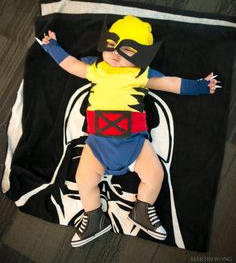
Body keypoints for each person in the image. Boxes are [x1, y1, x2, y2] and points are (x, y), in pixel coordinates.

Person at [38, 15, 218, 247]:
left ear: (142, 57)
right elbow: (72, 65)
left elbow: (171, 83)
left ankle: (143, 209)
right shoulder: (96, 69)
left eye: (128, 51)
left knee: (155, 175)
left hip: (134, 142)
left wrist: (200, 86)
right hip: (97, 144)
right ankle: (93, 217)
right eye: (112, 46)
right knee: (84, 179)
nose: (115, 54)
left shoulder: (140, 75)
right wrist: (52, 48)